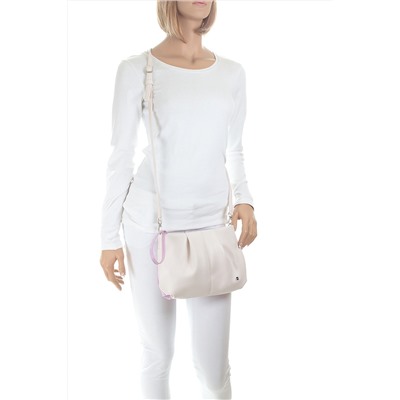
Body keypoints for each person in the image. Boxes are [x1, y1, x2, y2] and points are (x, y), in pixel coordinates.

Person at [99, 1, 257, 398]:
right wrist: (108, 238)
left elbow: (235, 148)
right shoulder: (137, 69)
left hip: (210, 228)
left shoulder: (232, 73)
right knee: (157, 354)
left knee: (213, 370)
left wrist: (245, 199)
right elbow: (120, 155)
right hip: (149, 228)